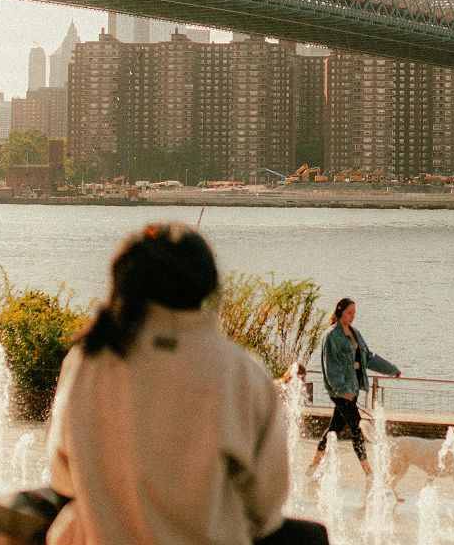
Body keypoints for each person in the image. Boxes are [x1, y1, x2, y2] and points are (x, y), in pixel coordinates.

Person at [45, 223, 326, 545]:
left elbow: (63, 479)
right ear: (207, 284)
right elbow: (266, 505)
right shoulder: (239, 372)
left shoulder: (88, 360)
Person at [307, 297, 401, 479]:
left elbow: (369, 357)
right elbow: (330, 366)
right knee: (357, 428)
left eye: (354, 313)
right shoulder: (331, 336)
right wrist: (343, 390)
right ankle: (369, 474)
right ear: (340, 311)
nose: (352, 316)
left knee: (334, 428)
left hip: (354, 390)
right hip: (340, 391)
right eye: (349, 313)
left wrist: (392, 370)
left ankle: (313, 465)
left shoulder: (355, 333)